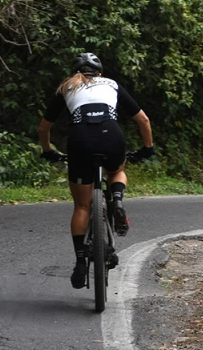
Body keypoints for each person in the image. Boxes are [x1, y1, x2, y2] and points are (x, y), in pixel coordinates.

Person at [37, 53, 155, 289]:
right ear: (99, 72)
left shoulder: (67, 87)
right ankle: (118, 200)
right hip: (110, 135)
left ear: (76, 72)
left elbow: (44, 127)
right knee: (117, 170)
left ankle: (81, 260)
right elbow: (143, 119)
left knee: (82, 206)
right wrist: (147, 148)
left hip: (80, 140)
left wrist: (48, 151)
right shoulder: (112, 84)